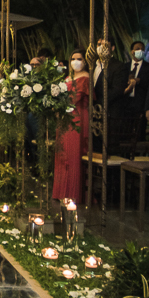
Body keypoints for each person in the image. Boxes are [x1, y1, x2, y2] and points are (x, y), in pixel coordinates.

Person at [52, 49, 90, 206]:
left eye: (79, 59)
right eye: (73, 58)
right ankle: (61, 191)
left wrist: (58, 102)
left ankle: (72, 192)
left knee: (72, 154)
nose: (76, 61)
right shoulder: (68, 77)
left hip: (77, 117)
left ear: (85, 61)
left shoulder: (85, 78)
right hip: (64, 118)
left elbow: (74, 98)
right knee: (62, 153)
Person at [123, 40, 149, 117]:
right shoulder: (124, 67)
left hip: (141, 104)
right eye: (138, 49)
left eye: (142, 49)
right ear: (132, 52)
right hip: (126, 104)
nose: (140, 51)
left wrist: (139, 81)